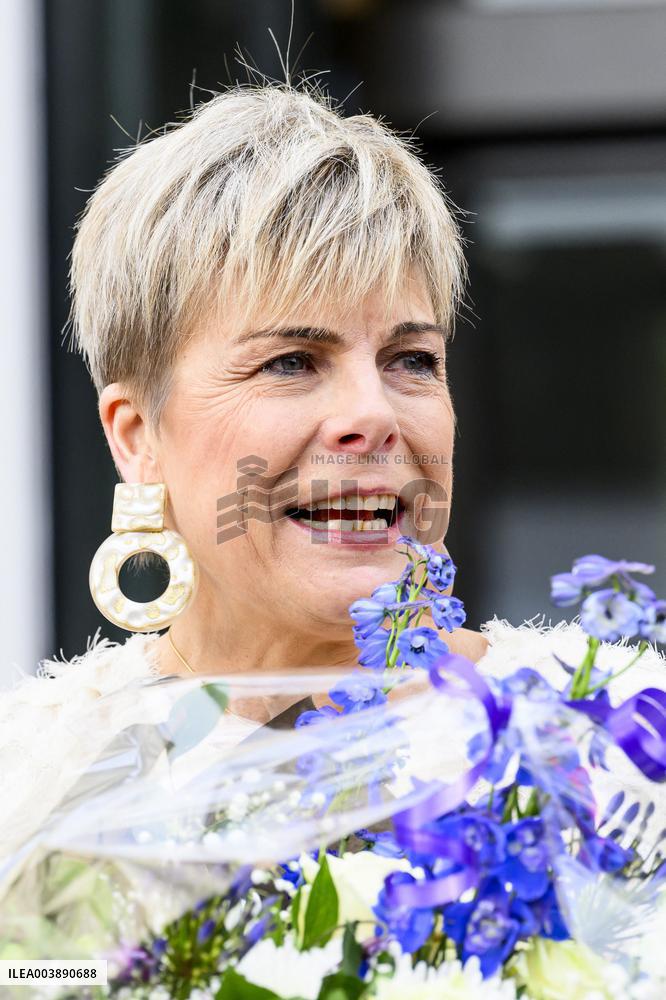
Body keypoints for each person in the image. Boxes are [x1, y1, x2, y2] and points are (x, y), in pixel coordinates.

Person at [2, 82, 664, 864]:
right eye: (292, 361)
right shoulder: (30, 791)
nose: (374, 413)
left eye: (411, 360)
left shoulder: (621, 743)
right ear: (139, 436)